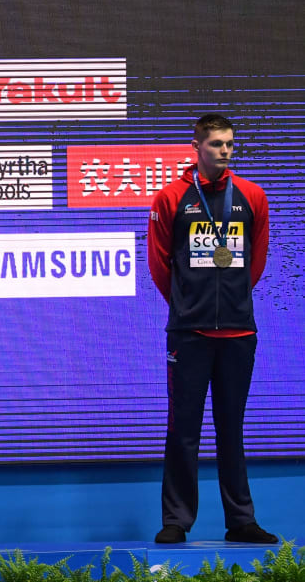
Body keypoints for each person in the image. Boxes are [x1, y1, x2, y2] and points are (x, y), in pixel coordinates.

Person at [147, 113, 277, 545]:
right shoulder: (170, 198)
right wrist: (189, 305)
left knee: (232, 428)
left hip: (239, 333)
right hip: (189, 334)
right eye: (217, 143)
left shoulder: (253, 196)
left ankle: (241, 520)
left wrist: (233, 300)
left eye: (229, 144)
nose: (225, 151)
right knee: (182, 429)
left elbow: (254, 264)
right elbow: (159, 263)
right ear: (197, 146)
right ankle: (176, 521)